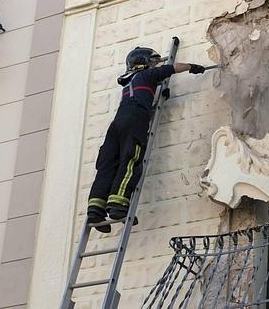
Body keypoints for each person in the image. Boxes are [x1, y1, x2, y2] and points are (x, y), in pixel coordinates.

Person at [86, 47, 206, 233]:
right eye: (152, 62)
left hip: (116, 124)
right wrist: (192, 66)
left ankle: (95, 209)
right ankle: (118, 206)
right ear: (143, 63)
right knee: (130, 160)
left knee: (107, 166)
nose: (154, 65)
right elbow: (171, 69)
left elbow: (137, 104)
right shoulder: (147, 76)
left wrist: (157, 102)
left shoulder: (128, 83)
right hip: (134, 120)